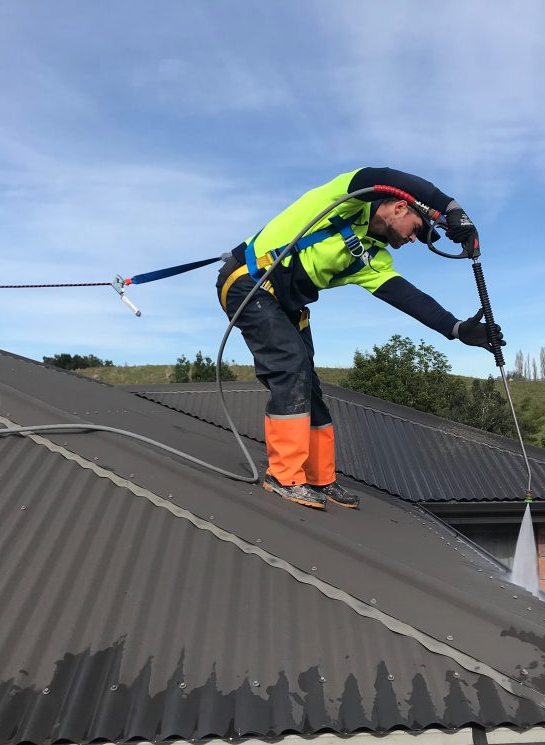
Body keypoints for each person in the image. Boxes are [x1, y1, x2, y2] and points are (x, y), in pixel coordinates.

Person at [216, 167, 504, 511]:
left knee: (308, 383)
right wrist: (451, 207)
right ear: (400, 207)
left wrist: (455, 329)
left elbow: (407, 297)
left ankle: (319, 478)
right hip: (248, 283)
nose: (414, 240)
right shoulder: (345, 200)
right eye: (417, 230)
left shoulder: (372, 256)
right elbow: (381, 174)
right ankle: (282, 475)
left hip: (284, 304)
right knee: (290, 367)